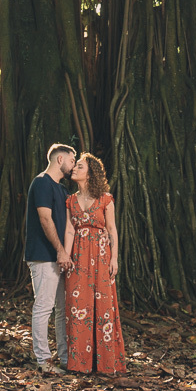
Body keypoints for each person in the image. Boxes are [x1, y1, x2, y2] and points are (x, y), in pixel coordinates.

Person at [63, 152, 126, 374]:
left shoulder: (106, 199)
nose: (74, 169)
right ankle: (79, 364)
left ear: (90, 173)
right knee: (78, 308)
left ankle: (105, 364)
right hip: (78, 258)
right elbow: (70, 230)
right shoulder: (70, 200)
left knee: (104, 309)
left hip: (101, 257)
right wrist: (67, 256)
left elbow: (112, 230)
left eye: (79, 166)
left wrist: (115, 258)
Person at [25, 143, 76, 375]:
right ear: (60, 160)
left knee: (62, 310)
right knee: (44, 307)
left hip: (60, 258)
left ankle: (65, 358)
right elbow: (45, 219)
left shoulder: (63, 190)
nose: (73, 166)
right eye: (72, 161)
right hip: (44, 256)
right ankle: (43, 360)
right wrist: (60, 251)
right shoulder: (42, 182)